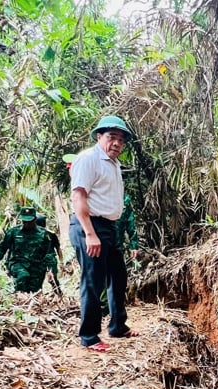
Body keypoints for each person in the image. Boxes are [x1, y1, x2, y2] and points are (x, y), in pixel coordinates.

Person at [70, 115, 137, 351]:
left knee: (118, 277)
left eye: (121, 139)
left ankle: (118, 325)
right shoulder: (88, 159)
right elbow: (78, 196)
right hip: (90, 225)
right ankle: (89, 336)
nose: (116, 143)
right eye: (111, 137)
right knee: (93, 280)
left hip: (108, 227)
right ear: (99, 137)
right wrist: (89, 233)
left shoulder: (114, 164)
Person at [0, 206, 52, 293]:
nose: (26, 224)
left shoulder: (43, 234)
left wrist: (51, 270)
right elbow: (2, 249)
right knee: (22, 277)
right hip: (18, 263)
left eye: (29, 221)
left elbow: (49, 253)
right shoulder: (13, 232)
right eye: (24, 221)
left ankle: (26, 304)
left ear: (35, 219)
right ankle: (19, 296)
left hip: (37, 267)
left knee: (34, 291)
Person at [37, 213, 63, 294]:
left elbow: (58, 248)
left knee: (53, 280)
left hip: (49, 259)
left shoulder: (51, 234)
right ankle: (39, 296)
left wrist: (61, 261)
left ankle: (59, 294)